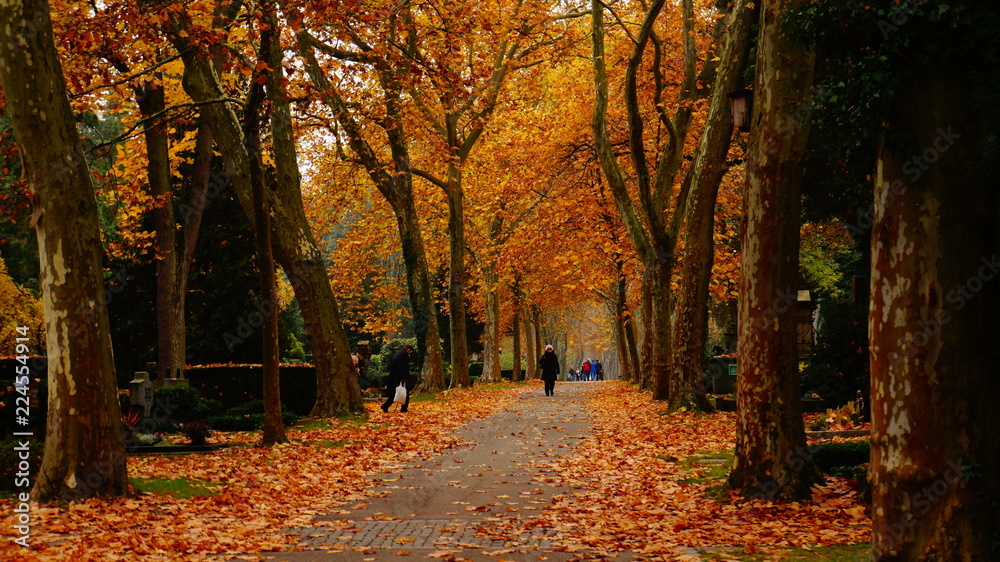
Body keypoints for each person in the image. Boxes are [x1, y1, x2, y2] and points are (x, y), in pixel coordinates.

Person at [381, 344, 415, 413]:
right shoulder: (403, 355)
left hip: (395, 377)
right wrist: (403, 377)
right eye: (410, 351)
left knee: (394, 393)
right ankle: (403, 408)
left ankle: (386, 406)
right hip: (400, 377)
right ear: (408, 350)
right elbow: (402, 367)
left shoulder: (399, 353)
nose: (410, 353)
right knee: (404, 392)